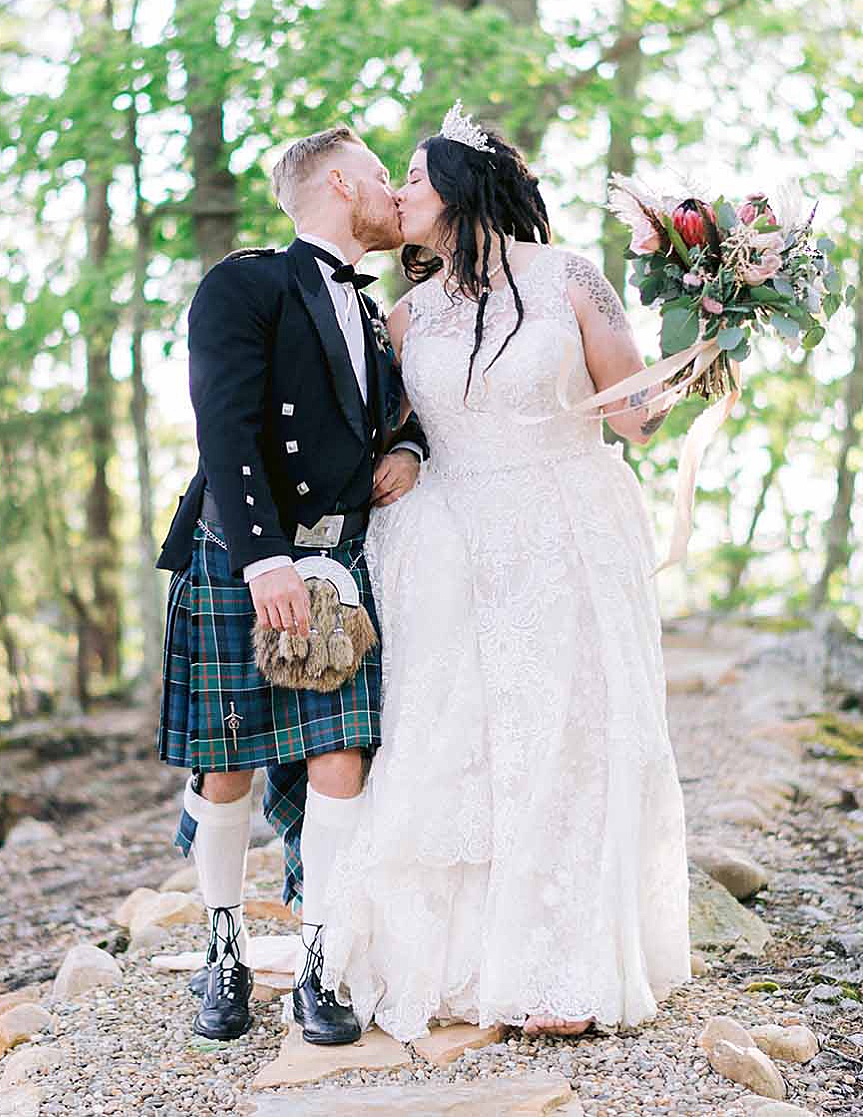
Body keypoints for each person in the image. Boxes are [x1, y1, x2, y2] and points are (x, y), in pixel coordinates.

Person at [320, 104, 692, 1041]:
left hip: (569, 528)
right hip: (452, 545)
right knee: (466, 747)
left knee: (569, 734)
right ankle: (468, 957)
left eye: (411, 176)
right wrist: (398, 457)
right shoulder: (403, 316)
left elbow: (637, 415)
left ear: (457, 188)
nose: (398, 193)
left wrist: (711, 335)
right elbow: (385, 425)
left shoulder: (571, 279)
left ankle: (561, 966)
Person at [155, 124, 426, 1043]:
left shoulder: (375, 306)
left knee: (341, 757)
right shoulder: (247, 282)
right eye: (386, 179)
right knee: (226, 762)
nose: (397, 196)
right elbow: (223, 427)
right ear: (342, 184)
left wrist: (411, 450)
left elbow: (396, 413)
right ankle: (222, 953)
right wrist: (261, 557)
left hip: (341, 558)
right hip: (249, 551)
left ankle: (320, 964)